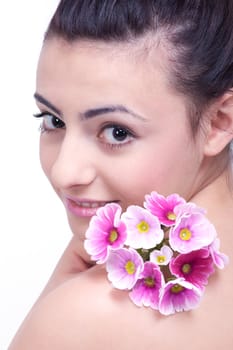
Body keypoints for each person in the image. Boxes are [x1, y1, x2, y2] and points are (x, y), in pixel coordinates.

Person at [9, 0, 233, 349]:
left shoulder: (87, 315)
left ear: (219, 122)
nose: (64, 172)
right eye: (53, 121)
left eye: (116, 132)